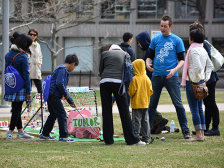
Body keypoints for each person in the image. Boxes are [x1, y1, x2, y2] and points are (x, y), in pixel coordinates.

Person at [145, 15, 191, 139]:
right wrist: (147, 63)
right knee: (151, 105)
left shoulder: (177, 40)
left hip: (171, 77)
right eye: (161, 26)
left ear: (171, 26)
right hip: (156, 76)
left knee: (178, 104)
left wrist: (175, 69)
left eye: (165, 26)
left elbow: (182, 60)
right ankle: (146, 131)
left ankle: (186, 130)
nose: (162, 28)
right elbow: (149, 56)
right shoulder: (155, 40)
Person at [99, 44, 146, 145]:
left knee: (106, 111)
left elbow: (101, 70)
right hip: (118, 83)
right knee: (124, 111)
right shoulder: (125, 54)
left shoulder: (104, 54)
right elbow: (129, 70)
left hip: (104, 82)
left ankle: (108, 140)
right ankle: (131, 139)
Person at [181, 28, 213, 142]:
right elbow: (210, 66)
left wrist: (197, 77)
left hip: (193, 82)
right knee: (199, 108)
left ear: (192, 39)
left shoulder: (193, 50)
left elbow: (198, 67)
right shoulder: (203, 49)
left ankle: (198, 135)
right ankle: (202, 134)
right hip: (200, 82)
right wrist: (205, 78)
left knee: (194, 109)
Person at [189, 21, 220, 136]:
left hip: (210, 78)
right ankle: (205, 127)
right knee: (206, 103)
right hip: (206, 78)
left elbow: (205, 63)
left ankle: (215, 128)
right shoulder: (200, 44)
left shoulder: (203, 44)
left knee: (211, 102)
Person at [136, 31, 170, 134]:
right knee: (148, 104)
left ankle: (159, 121)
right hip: (149, 81)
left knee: (147, 105)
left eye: (139, 42)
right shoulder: (149, 50)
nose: (138, 44)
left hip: (150, 81)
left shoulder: (150, 51)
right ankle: (158, 124)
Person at [39, 54, 79, 142]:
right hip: (54, 95)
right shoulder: (62, 69)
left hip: (52, 95)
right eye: (75, 67)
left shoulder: (61, 69)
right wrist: (68, 98)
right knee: (62, 115)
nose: (73, 69)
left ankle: (45, 134)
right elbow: (59, 83)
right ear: (73, 64)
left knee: (53, 115)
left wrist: (70, 100)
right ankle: (64, 136)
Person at [5, 33, 34, 140]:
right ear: (25, 45)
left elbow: (6, 71)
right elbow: (26, 75)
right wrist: (29, 91)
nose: (29, 47)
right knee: (17, 110)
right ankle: (10, 131)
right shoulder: (23, 57)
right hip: (21, 86)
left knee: (15, 108)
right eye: (29, 45)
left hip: (11, 84)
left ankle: (21, 131)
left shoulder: (8, 54)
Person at [128, 59, 153, 144]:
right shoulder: (147, 78)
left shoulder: (135, 79)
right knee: (145, 120)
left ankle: (136, 137)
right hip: (145, 103)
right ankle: (146, 137)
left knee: (136, 121)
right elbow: (151, 91)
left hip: (136, 103)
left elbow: (131, 92)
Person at [28, 28, 43, 93]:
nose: (32, 36)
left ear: (36, 36)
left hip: (36, 69)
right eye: (31, 34)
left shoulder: (38, 45)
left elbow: (40, 55)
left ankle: (42, 102)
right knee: (28, 89)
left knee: (40, 89)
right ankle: (29, 103)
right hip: (28, 69)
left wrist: (40, 64)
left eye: (34, 35)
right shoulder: (26, 44)